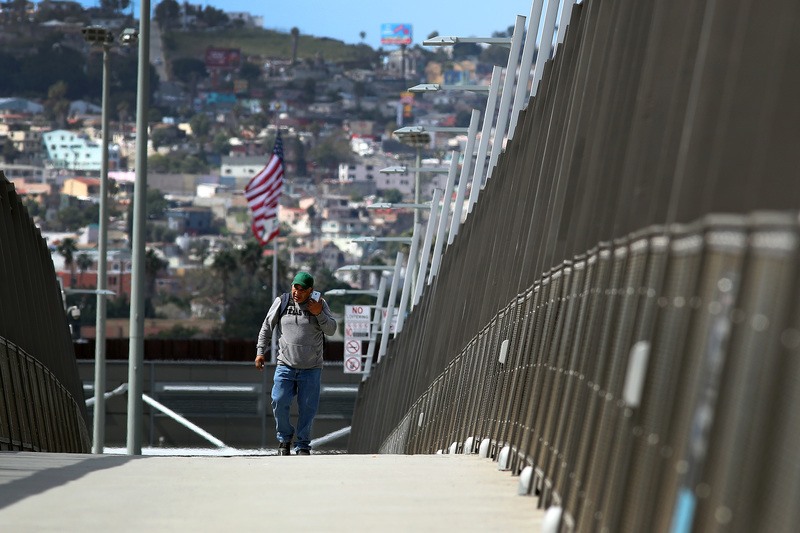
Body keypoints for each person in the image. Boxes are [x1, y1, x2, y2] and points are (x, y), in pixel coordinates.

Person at [255, 271, 337, 455]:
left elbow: (331, 329)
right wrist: (260, 352)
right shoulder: (282, 302)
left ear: (310, 291)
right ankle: (284, 439)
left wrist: (318, 314)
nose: (297, 292)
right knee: (279, 400)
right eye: (295, 287)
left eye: (301, 289)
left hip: (311, 368)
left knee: (307, 409)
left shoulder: (320, 305)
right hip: (285, 365)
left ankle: (303, 444)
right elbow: (266, 327)